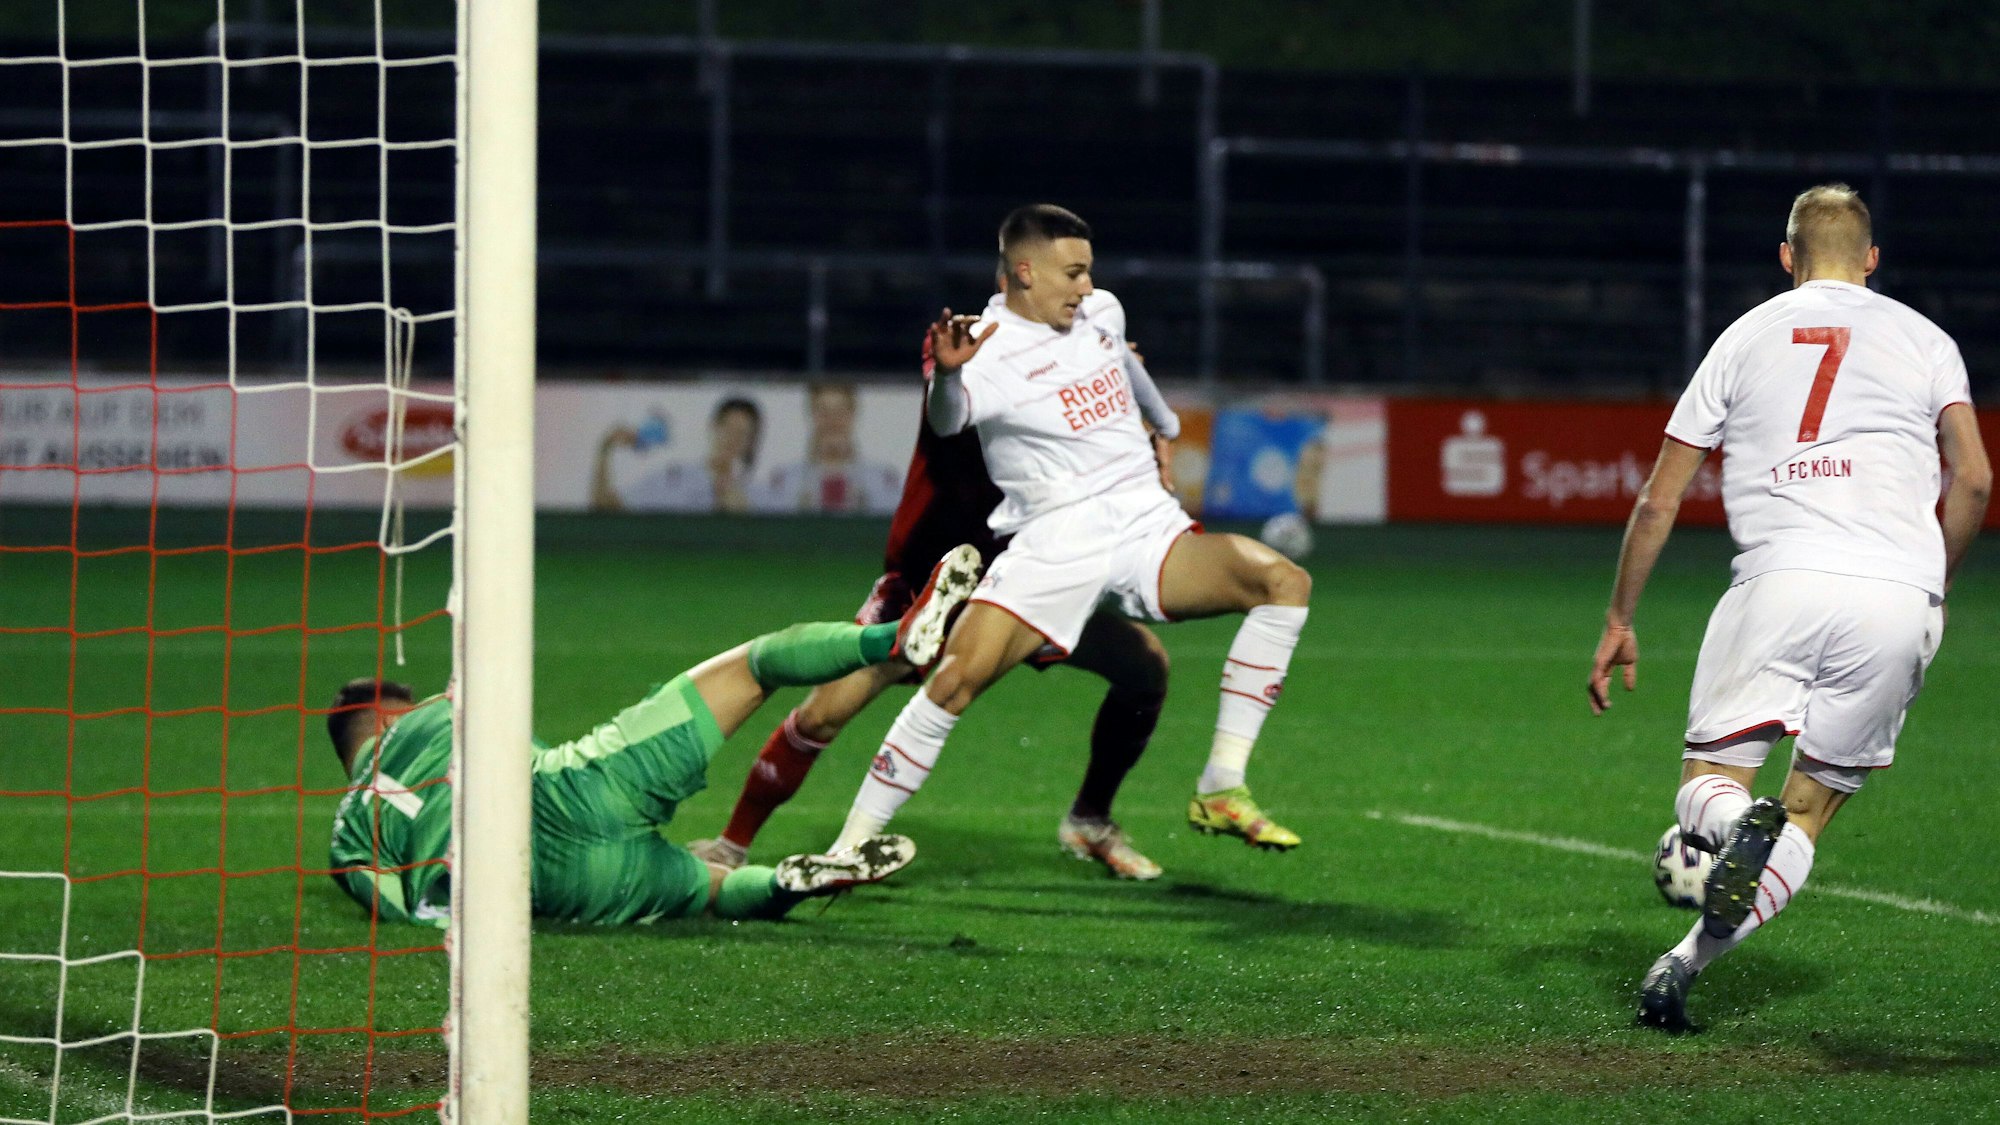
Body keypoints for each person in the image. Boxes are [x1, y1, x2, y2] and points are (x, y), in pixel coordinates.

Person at [1586, 184, 1990, 1032]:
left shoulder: (1744, 334)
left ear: (1786, 258)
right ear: (1872, 259)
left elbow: (1659, 501)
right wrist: (1933, 581)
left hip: (1782, 579)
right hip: (1897, 593)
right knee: (1807, 813)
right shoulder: (1928, 340)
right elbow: (1977, 478)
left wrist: (1621, 618)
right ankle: (1680, 965)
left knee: (1708, 785)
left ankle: (1734, 825)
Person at [825, 203, 1314, 858]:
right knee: (953, 681)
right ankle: (847, 847)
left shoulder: (1100, 311)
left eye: (1090, 272)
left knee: (1282, 580)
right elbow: (950, 421)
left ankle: (1222, 783)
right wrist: (946, 373)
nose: (1087, 287)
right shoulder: (988, 350)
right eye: (1074, 273)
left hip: (1144, 527)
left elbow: (1128, 365)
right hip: (1055, 540)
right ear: (1025, 271)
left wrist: (1163, 425)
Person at [689, 313, 1188, 880]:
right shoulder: (971, 347)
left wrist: (1122, 397)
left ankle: (1090, 820)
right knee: (824, 715)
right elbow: (948, 403)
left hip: (1024, 578)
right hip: (932, 581)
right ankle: (733, 843)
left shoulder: (1073, 368)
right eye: (1073, 273)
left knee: (1145, 668)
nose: (1081, 292)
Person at [324, 547, 982, 927]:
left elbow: (388, 901)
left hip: (546, 886)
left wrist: (443, 910)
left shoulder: (346, 838)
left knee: (713, 890)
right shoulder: (438, 711)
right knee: (757, 665)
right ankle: (895, 637)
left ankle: (786, 883)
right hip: (573, 793)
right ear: (389, 711)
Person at [592, 396, 762, 513]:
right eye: (727, 429)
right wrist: (604, 451)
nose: (732, 439)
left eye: (742, 434)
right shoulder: (674, 477)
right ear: (713, 427)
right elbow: (605, 507)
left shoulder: (754, 493)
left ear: (750, 443)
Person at [758, 382, 906, 514]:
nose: (832, 420)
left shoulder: (882, 478)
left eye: (840, 411)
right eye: (823, 411)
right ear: (812, 415)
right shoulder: (785, 479)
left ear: (852, 415)